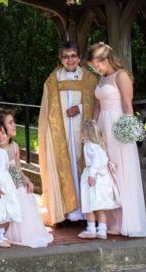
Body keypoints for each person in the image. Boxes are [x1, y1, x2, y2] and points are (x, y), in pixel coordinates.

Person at [87, 42, 146, 237]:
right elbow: (97, 106)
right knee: (106, 172)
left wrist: (128, 130)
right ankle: (112, 222)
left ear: (105, 60)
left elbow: (128, 105)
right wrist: (92, 129)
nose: (96, 69)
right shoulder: (102, 80)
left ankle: (128, 222)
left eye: (97, 65)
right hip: (103, 127)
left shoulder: (121, 76)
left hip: (118, 125)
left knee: (121, 169)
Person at [37, 42, 98, 226]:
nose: (69, 60)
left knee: (82, 164)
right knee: (65, 165)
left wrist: (79, 108)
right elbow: (47, 107)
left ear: (79, 58)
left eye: (73, 56)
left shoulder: (89, 78)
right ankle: (66, 211)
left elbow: (95, 102)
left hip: (81, 131)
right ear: (60, 59)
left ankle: (85, 211)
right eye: (65, 56)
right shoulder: (53, 78)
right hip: (60, 133)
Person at [0, 108, 54, 248]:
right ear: (0, 127)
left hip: (13, 175)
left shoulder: (14, 146)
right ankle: (0, 231)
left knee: (23, 192)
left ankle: (25, 231)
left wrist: (27, 180)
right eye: (10, 123)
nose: (14, 125)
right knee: (9, 195)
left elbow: (17, 169)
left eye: (14, 122)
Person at [77, 120, 121, 240]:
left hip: (93, 176)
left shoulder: (89, 145)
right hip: (103, 176)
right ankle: (102, 231)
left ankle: (91, 230)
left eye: (81, 132)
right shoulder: (99, 147)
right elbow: (104, 159)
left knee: (89, 204)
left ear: (86, 134)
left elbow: (95, 160)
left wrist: (91, 174)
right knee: (100, 207)